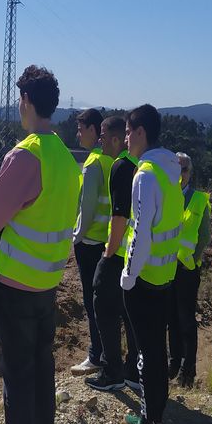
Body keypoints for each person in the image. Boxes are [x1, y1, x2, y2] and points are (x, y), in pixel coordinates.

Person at [0, 65, 80, 424]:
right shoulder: (66, 159)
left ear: (25, 101)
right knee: (42, 368)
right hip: (48, 282)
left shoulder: (25, 154)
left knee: (17, 374)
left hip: (16, 284)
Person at [114, 104, 182, 424]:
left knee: (146, 355)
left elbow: (140, 234)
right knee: (156, 350)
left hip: (143, 280)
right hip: (164, 275)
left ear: (141, 132)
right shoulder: (171, 169)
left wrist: (127, 276)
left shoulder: (145, 175)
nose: (126, 139)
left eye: (128, 132)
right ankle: (151, 414)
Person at [86, 116, 140, 393]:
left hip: (118, 252)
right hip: (132, 253)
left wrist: (108, 252)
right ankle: (132, 371)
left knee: (103, 307)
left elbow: (120, 214)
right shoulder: (137, 167)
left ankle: (112, 371)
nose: (100, 141)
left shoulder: (120, 167)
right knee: (127, 312)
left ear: (117, 139)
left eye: (104, 136)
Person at [70, 108, 113, 376]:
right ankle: (107, 353)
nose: (78, 133)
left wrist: (77, 235)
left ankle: (97, 354)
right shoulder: (111, 161)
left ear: (95, 131)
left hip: (90, 242)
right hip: (108, 241)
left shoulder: (93, 164)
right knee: (107, 303)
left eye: (81, 128)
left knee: (92, 302)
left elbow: (86, 209)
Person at [167, 152, 210, 387]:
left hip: (187, 270)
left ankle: (188, 370)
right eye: (176, 169)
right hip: (166, 267)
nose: (180, 174)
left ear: (189, 173)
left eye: (184, 170)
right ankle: (173, 363)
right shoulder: (165, 195)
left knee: (185, 319)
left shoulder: (199, 200)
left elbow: (204, 236)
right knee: (170, 318)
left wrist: (190, 258)